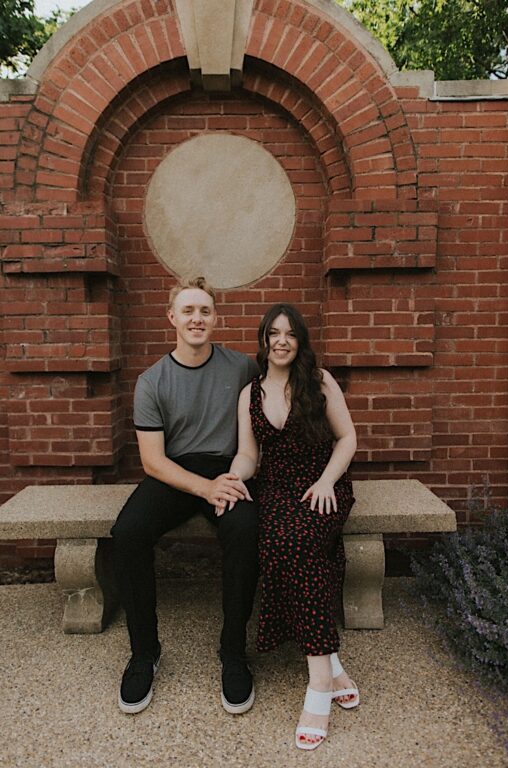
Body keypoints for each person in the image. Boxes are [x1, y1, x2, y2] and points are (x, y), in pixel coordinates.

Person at [111, 277, 260, 715]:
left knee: (246, 529)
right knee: (128, 533)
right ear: (172, 317)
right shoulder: (152, 381)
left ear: (216, 319)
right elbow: (153, 462)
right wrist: (204, 488)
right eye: (189, 310)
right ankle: (144, 653)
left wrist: (228, 480)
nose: (197, 319)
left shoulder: (242, 368)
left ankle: (233, 652)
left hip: (228, 468)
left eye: (205, 311)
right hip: (175, 473)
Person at [227, 303, 358, 750]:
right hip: (277, 487)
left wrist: (326, 481)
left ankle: (318, 682)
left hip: (324, 483)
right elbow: (249, 455)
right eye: (273, 333)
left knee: (299, 543)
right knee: (277, 545)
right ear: (263, 341)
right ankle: (331, 661)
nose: (281, 341)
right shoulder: (250, 394)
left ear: (300, 341)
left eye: (289, 334)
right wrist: (234, 476)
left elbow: (348, 438)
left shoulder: (319, 382)